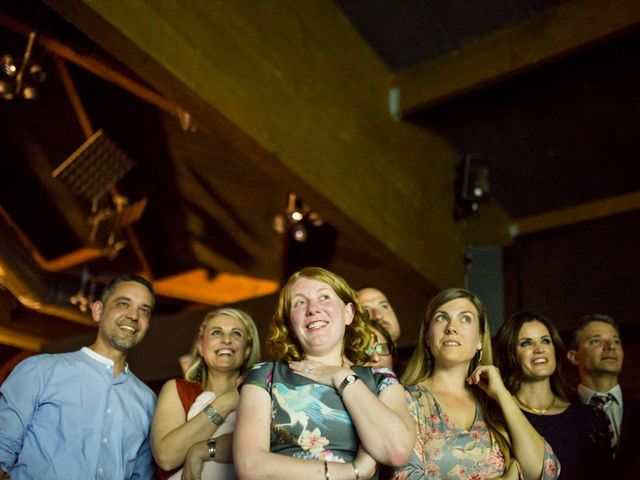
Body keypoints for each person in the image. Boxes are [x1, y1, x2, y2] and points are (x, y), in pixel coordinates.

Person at [234, 267, 415, 480]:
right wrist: (352, 471)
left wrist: (341, 378)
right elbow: (250, 466)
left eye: (324, 297)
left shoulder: (381, 378)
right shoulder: (265, 375)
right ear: (290, 323)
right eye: (300, 302)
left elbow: (397, 451)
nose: (313, 309)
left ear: (349, 313)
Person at [0, 273, 157, 479]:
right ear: (98, 310)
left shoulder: (148, 401)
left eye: (144, 310)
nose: (134, 316)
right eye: (123, 304)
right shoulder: (41, 370)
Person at [393, 288, 560, 480]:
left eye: (465, 319)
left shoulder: (495, 402)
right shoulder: (406, 399)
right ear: (428, 338)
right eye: (441, 318)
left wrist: (503, 395)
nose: (451, 327)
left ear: (480, 339)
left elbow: (546, 471)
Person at [494, 311, 612, 479]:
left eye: (545, 341)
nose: (539, 349)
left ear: (555, 350)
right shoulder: (496, 416)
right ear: (509, 353)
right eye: (526, 343)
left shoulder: (589, 418)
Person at [152, 308, 260, 480]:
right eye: (216, 333)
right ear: (201, 347)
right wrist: (224, 403)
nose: (226, 340)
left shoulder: (260, 392)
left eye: (236, 334)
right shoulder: (178, 390)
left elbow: (266, 445)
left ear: (247, 350)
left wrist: (203, 449)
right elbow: (166, 458)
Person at [567, 314, 640, 478]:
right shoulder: (560, 411)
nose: (610, 346)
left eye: (616, 341)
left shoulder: (637, 410)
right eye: (596, 341)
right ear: (574, 356)